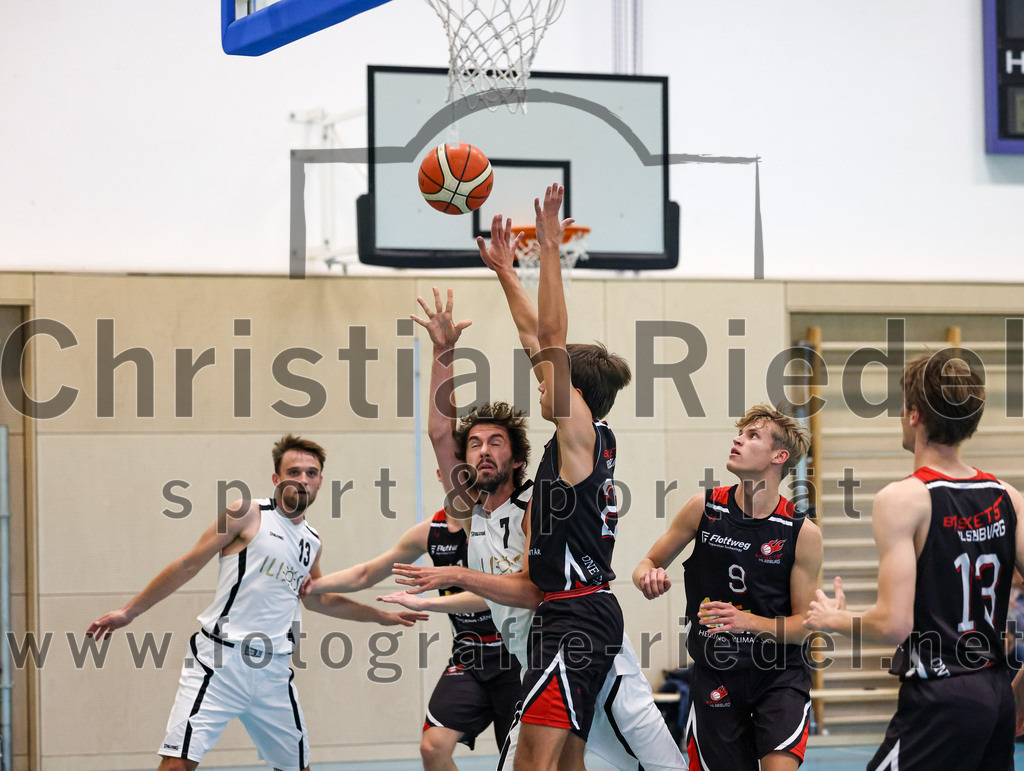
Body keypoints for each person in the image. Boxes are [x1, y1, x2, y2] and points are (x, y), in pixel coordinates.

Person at [392, 192, 683, 771]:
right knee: (568, 763)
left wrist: (547, 248)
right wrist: (505, 272)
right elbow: (537, 339)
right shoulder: (575, 443)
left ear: (574, 388)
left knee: (537, 764)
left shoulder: (579, 437)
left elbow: (548, 335)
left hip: (574, 615)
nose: (541, 374)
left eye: (556, 374)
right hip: (568, 615)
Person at [86, 435, 426, 771]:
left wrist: (380, 617)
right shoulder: (246, 513)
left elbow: (318, 601)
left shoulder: (312, 541)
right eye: (294, 472)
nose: (303, 479)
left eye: (311, 472)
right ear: (277, 479)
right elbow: (189, 564)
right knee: (177, 765)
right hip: (219, 661)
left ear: (321, 481)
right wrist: (129, 611)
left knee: (296, 769)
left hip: (274, 671)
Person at [805, 351, 1024, 771]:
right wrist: (1018, 691)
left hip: (941, 696)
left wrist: (832, 619)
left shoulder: (903, 499)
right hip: (994, 693)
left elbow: (893, 625)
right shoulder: (1007, 497)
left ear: (913, 415)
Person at [634, 404, 823, 771]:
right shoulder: (703, 508)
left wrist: (747, 621)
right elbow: (647, 564)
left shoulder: (801, 533)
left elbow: (804, 627)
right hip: (715, 671)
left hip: (778, 675)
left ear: (779, 456)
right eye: (740, 432)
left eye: (753, 436)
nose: (738, 439)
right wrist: (648, 576)